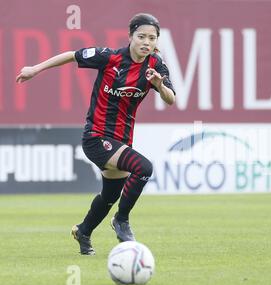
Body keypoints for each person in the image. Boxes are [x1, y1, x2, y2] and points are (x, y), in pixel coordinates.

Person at [16, 13, 176, 255]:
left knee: (110, 194)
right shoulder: (109, 57)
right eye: (141, 36)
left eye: (152, 38)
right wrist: (35, 69)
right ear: (130, 36)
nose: (146, 42)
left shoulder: (156, 66)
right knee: (144, 168)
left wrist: (159, 85)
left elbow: (171, 99)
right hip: (96, 137)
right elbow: (72, 55)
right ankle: (121, 220)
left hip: (121, 140)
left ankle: (83, 231)